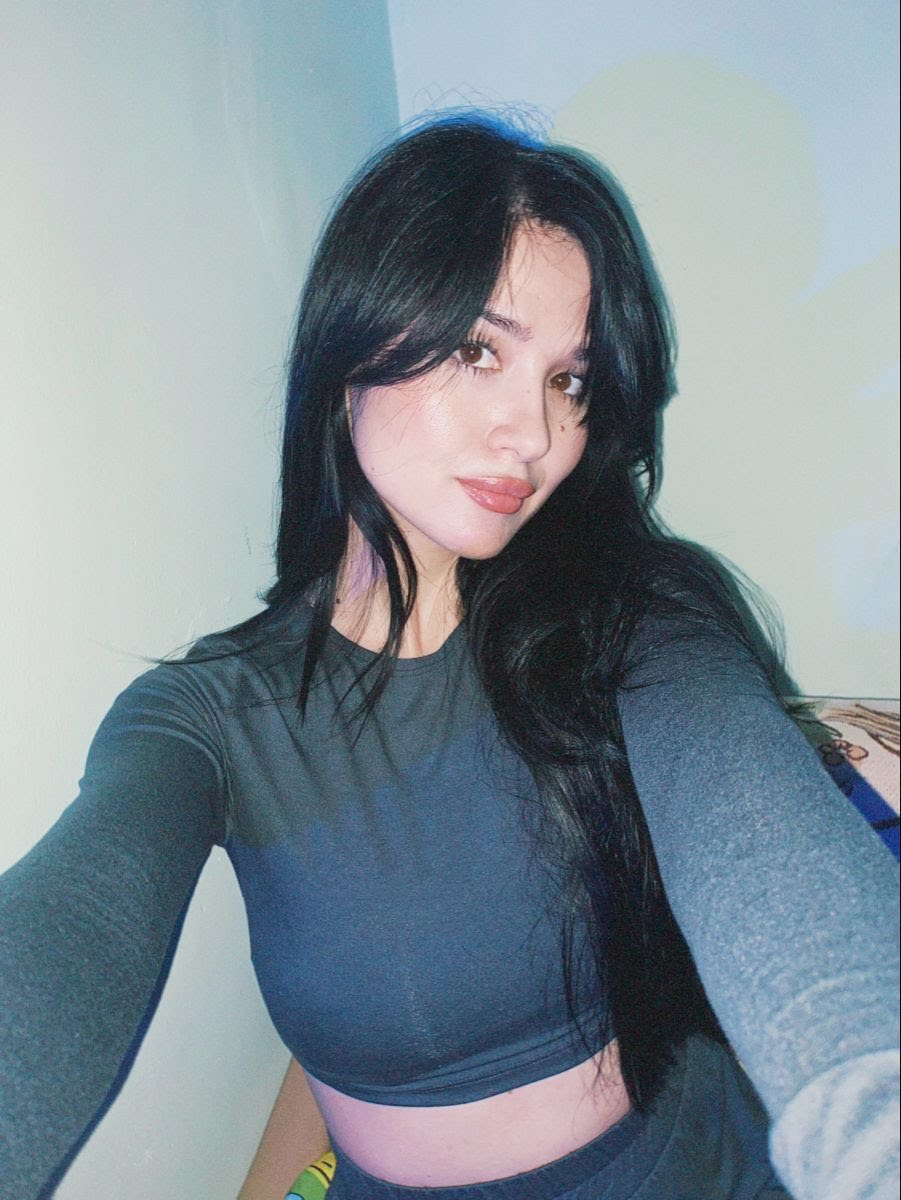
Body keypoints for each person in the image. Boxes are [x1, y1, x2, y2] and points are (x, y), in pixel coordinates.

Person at [1, 115, 898, 1200]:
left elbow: (763, 840)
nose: (534, 433)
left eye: (570, 381)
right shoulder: (206, 717)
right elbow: (74, 934)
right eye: (479, 350)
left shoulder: (634, 619)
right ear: (352, 349)